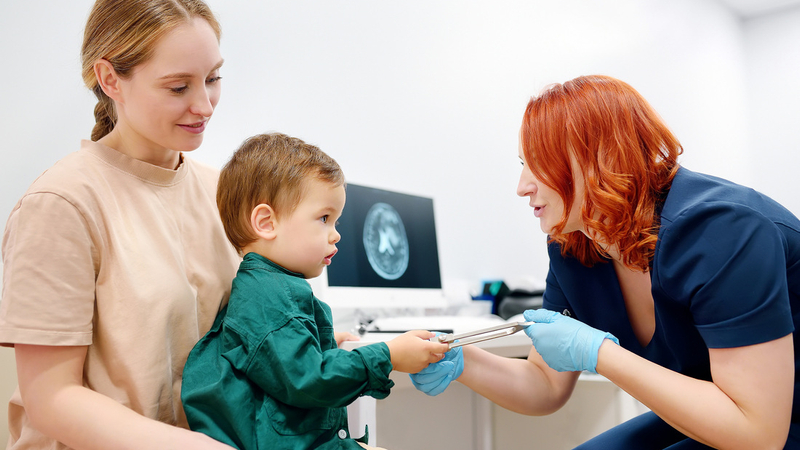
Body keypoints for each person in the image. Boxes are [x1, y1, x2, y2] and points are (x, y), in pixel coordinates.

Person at [410, 75, 799, 449]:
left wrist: (599, 354)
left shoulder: (721, 230)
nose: (522, 186)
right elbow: (545, 382)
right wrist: (463, 362)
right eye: (521, 165)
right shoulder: (574, 246)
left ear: (600, 157)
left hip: (768, 422)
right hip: (721, 412)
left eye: (537, 163)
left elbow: (758, 436)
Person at [0, 1, 242, 449]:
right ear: (111, 79)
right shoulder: (61, 205)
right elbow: (52, 398)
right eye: (177, 87)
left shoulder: (222, 192)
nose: (204, 104)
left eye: (212, 78)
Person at [180, 132, 449, 450]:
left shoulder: (265, 289)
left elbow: (275, 357)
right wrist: (388, 356)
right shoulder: (272, 297)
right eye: (324, 218)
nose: (336, 235)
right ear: (266, 222)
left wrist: (322, 342)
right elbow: (307, 379)